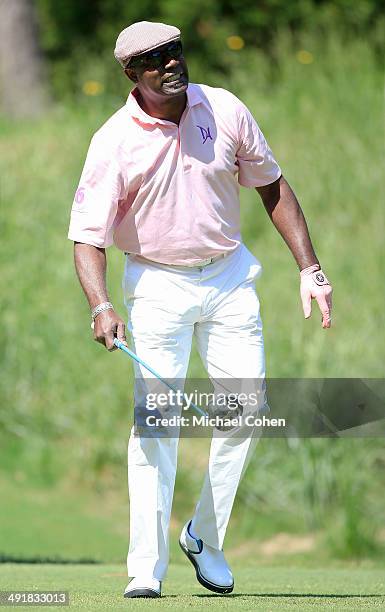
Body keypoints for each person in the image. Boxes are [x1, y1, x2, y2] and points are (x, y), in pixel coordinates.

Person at [68, 21, 333, 599]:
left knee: (247, 411)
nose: (170, 64)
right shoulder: (113, 140)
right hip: (157, 286)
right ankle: (146, 568)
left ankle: (203, 535)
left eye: (175, 52)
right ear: (131, 74)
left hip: (230, 277)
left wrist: (309, 270)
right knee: (156, 425)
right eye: (154, 59)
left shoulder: (224, 108)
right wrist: (102, 305)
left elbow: (272, 186)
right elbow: (87, 236)